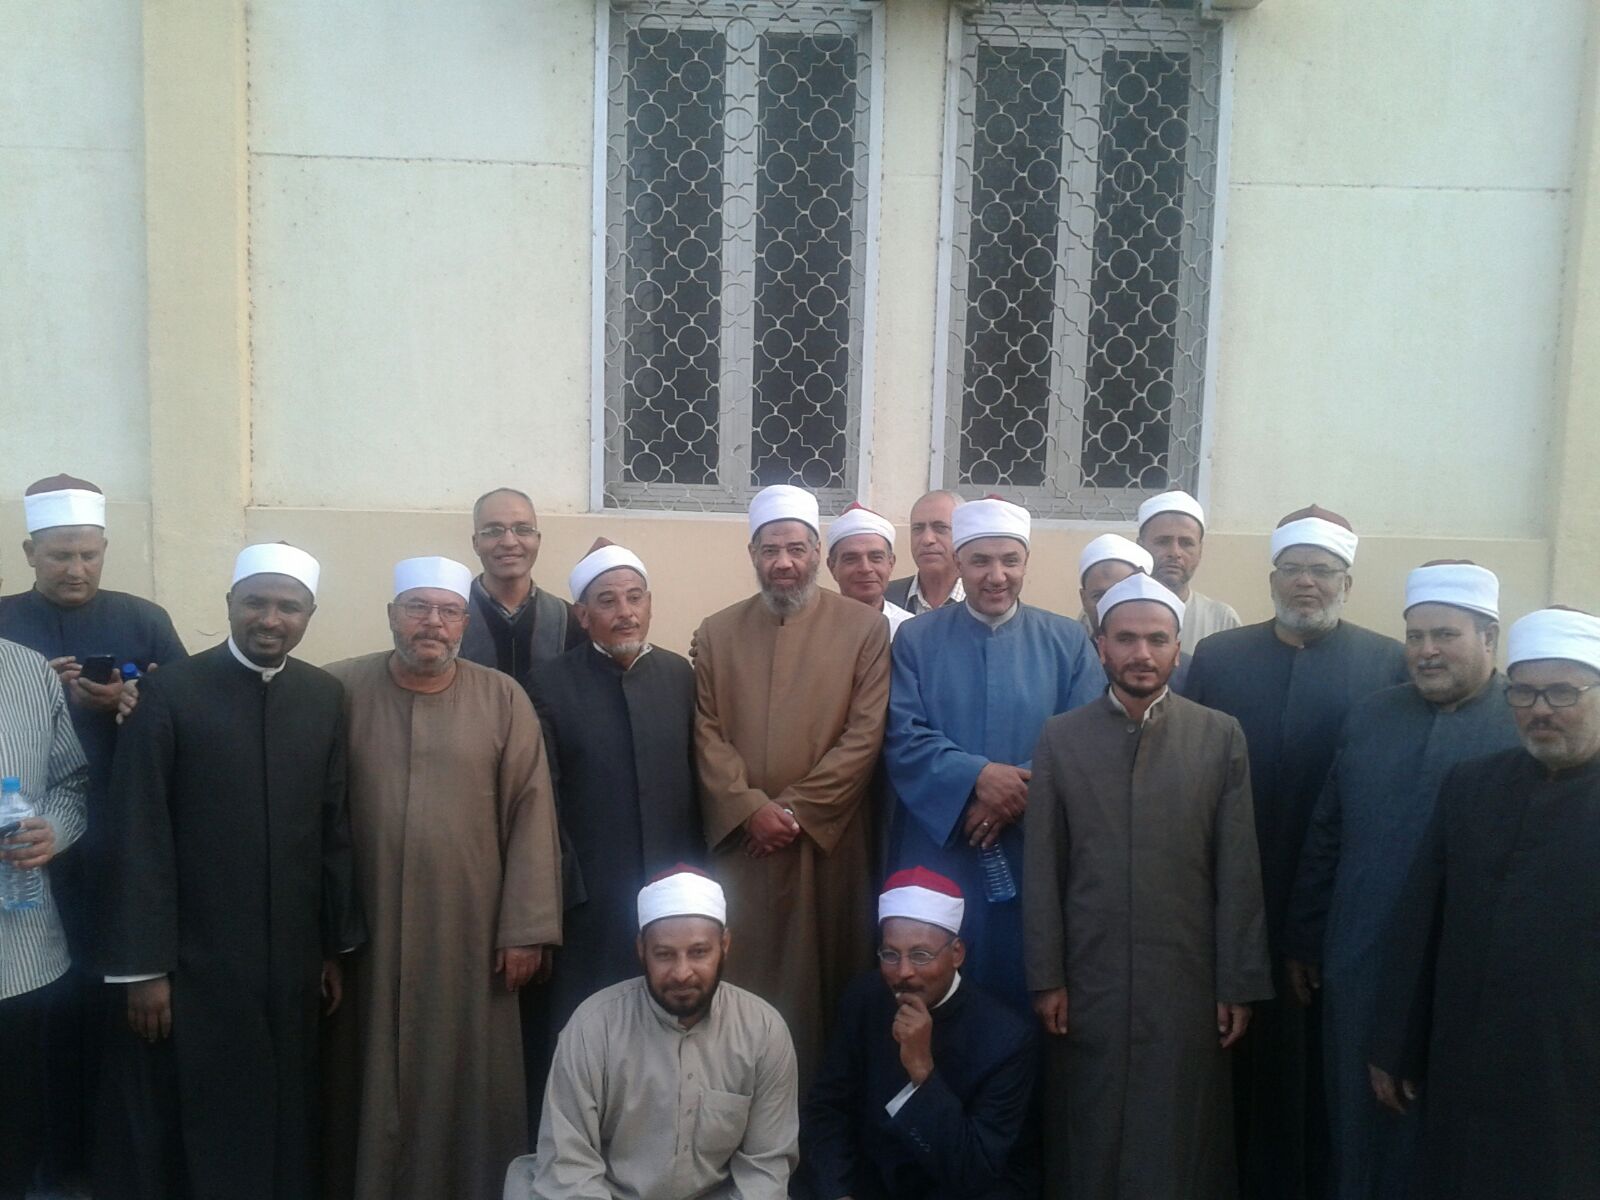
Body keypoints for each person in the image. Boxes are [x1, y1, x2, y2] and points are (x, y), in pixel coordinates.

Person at [97, 543, 362, 1200]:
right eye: (256, 603)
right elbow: (138, 831)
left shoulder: (324, 696)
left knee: (289, 1110)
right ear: (230, 605)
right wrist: (143, 967)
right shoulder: (169, 693)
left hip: (293, 961)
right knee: (210, 1117)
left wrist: (333, 946)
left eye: (288, 607)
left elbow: (333, 827)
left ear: (309, 614)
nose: (270, 619)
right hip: (197, 964)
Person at [1182, 505, 1406, 1200]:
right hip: (1229, 885)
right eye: (1293, 569)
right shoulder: (1220, 658)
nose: (1307, 582)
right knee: (1228, 1053)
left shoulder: (1387, 663)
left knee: (1318, 1062)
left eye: (1323, 571)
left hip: (1335, 896)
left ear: (1347, 582)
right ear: (1272, 577)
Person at [322, 555, 563, 1200]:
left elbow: (531, 811)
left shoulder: (502, 698)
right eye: (418, 608)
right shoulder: (338, 689)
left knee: (467, 1074)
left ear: (464, 624)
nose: (433, 623)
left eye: (448, 611)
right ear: (391, 615)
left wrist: (526, 929)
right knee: (363, 1071)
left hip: (470, 930)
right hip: (365, 930)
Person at [1025, 572, 1271, 1199]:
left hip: (1188, 980)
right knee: (1090, 1121)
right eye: (1126, 639)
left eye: (1157, 639)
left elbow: (1238, 868)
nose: (1142, 653)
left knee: (1180, 1131)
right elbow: (1045, 866)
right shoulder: (1061, 737)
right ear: (1100, 646)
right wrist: (1048, 977)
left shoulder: (1219, 736)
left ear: (1177, 648)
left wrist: (1237, 982)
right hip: (1090, 977)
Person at [1283, 562, 1517, 1200]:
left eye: (1445, 635)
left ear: (1489, 638)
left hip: (1468, 977)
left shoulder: (1520, 725)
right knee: (1358, 1123)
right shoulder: (1371, 717)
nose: (1426, 651)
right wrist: (1305, 937)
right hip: (1362, 958)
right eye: (1415, 636)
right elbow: (1327, 833)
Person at [1369, 606, 1600, 1200]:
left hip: (1570, 1076)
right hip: (1466, 1061)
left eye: (1562, 692)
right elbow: (1422, 923)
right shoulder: (1472, 786)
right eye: (1523, 692)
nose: (1540, 709)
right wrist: (1395, 1044)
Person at [0, 475, 187, 1190]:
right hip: (26, 863)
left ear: (105, 550)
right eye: (59, 556)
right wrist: (33, 690)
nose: (75, 570)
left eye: (88, 554)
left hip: (119, 841)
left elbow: (188, 711)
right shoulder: (6, 627)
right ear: (30, 554)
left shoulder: (144, 620)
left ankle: (109, 1164)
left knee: (114, 1011)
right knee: (36, 1017)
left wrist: (133, 699)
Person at [693, 484, 891, 1086]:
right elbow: (707, 733)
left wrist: (796, 812)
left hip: (829, 844)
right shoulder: (717, 632)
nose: (784, 562)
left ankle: (824, 1116)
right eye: (771, 549)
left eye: (797, 549)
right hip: (746, 847)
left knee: (829, 985)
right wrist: (749, 808)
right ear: (753, 554)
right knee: (746, 985)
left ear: (815, 553)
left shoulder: (864, 628)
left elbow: (864, 735)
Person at [883, 496, 1102, 1011]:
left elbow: (1087, 738)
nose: (996, 576)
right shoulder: (915, 638)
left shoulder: (1067, 641)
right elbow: (903, 733)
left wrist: (1015, 792)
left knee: (1027, 981)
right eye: (981, 561)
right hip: (943, 841)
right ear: (959, 562)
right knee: (934, 982)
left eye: (1010, 561)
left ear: (1026, 563)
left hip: (1034, 846)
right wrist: (977, 779)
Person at [522, 540, 701, 1114]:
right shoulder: (547, 685)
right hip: (589, 904)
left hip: (673, 898)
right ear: (582, 615)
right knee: (586, 1041)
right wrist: (563, 897)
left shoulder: (680, 676)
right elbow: (541, 804)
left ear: (649, 603)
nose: (625, 612)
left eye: (635, 597)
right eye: (607, 601)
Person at [510, 866, 798, 1200]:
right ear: (641, 950)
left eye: (699, 952)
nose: (682, 972)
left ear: (725, 945)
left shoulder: (763, 1031)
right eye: (664, 955)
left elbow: (764, 1172)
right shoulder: (593, 1028)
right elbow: (568, 1167)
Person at [802, 867, 1038, 1200]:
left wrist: (922, 1072)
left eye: (920, 955)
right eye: (890, 954)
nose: (904, 972)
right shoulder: (863, 999)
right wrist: (837, 1193)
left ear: (957, 953)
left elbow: (974, 1170)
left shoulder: (1006, 1039)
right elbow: (827, 1110)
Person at [0, 634, 89, 1200]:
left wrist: (53, 829)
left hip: (19, 952)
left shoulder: (29, 671)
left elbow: (71, 781)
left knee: (15, 1120)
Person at [460, 487, 584, 678]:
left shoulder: (568, 620)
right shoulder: (450, 616)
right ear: (476, 543)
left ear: (538, 540)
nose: (509, 542)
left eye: (523, 530)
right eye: (493, 531)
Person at [1135, 489, 1240, 645]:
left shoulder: (1222, 620)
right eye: (1163, 541)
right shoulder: (1113, 612)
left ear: (1200, 551)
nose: (1175, 553)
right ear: (1140, 547)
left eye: (1186, 543)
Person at [827, 502, 915, 639]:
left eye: (876, 558)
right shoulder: (814, 629)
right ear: (832, 566)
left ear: (891, 563)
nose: (865, 568)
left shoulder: (911, 630)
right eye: (851, 559)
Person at [884, 490, 965, 614]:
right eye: (918, 528)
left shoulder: (984, 600)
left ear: (963, 534)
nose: (927, 539)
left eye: (940, 528)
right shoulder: (885, 599)